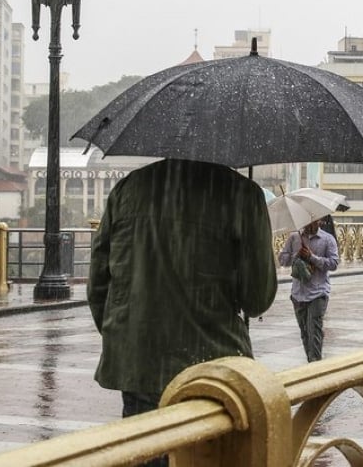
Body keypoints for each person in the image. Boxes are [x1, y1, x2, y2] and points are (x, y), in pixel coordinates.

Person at [87, 159, 277, 448]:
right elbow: (257, 299)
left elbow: (99, 284)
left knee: (149, 452)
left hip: (141, 365)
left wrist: (130, 337)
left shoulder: (130, 188)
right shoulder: (243, 195)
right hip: (213, 367)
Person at [279, 217, 339, 362]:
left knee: (314, 332)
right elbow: (282, 260)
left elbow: (333, 263)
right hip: (298, 294)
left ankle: (315, 365)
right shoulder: (294, 238)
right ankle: (310, 362)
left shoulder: (327, 239)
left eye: (313, 220)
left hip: (318, 293)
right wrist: (296, 255)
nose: (309, 224)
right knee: (304, 333)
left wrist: (312, 257)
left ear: (319, 221)